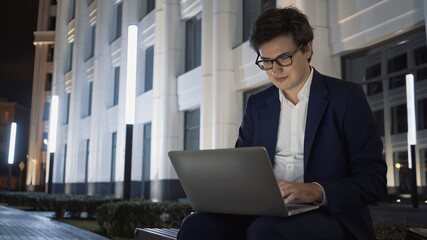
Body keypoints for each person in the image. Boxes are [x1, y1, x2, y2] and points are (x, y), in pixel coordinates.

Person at [177, 6, 387, 240]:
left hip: (329, 215)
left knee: (266, 231)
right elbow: (242, 169)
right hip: (265, 211)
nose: (275, 70)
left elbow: (374, 180)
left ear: (307, 49)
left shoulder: (346, 97)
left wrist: (315, 190)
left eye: (284, 58)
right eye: (266, 61)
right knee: (197, 225)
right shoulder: (257, 105)